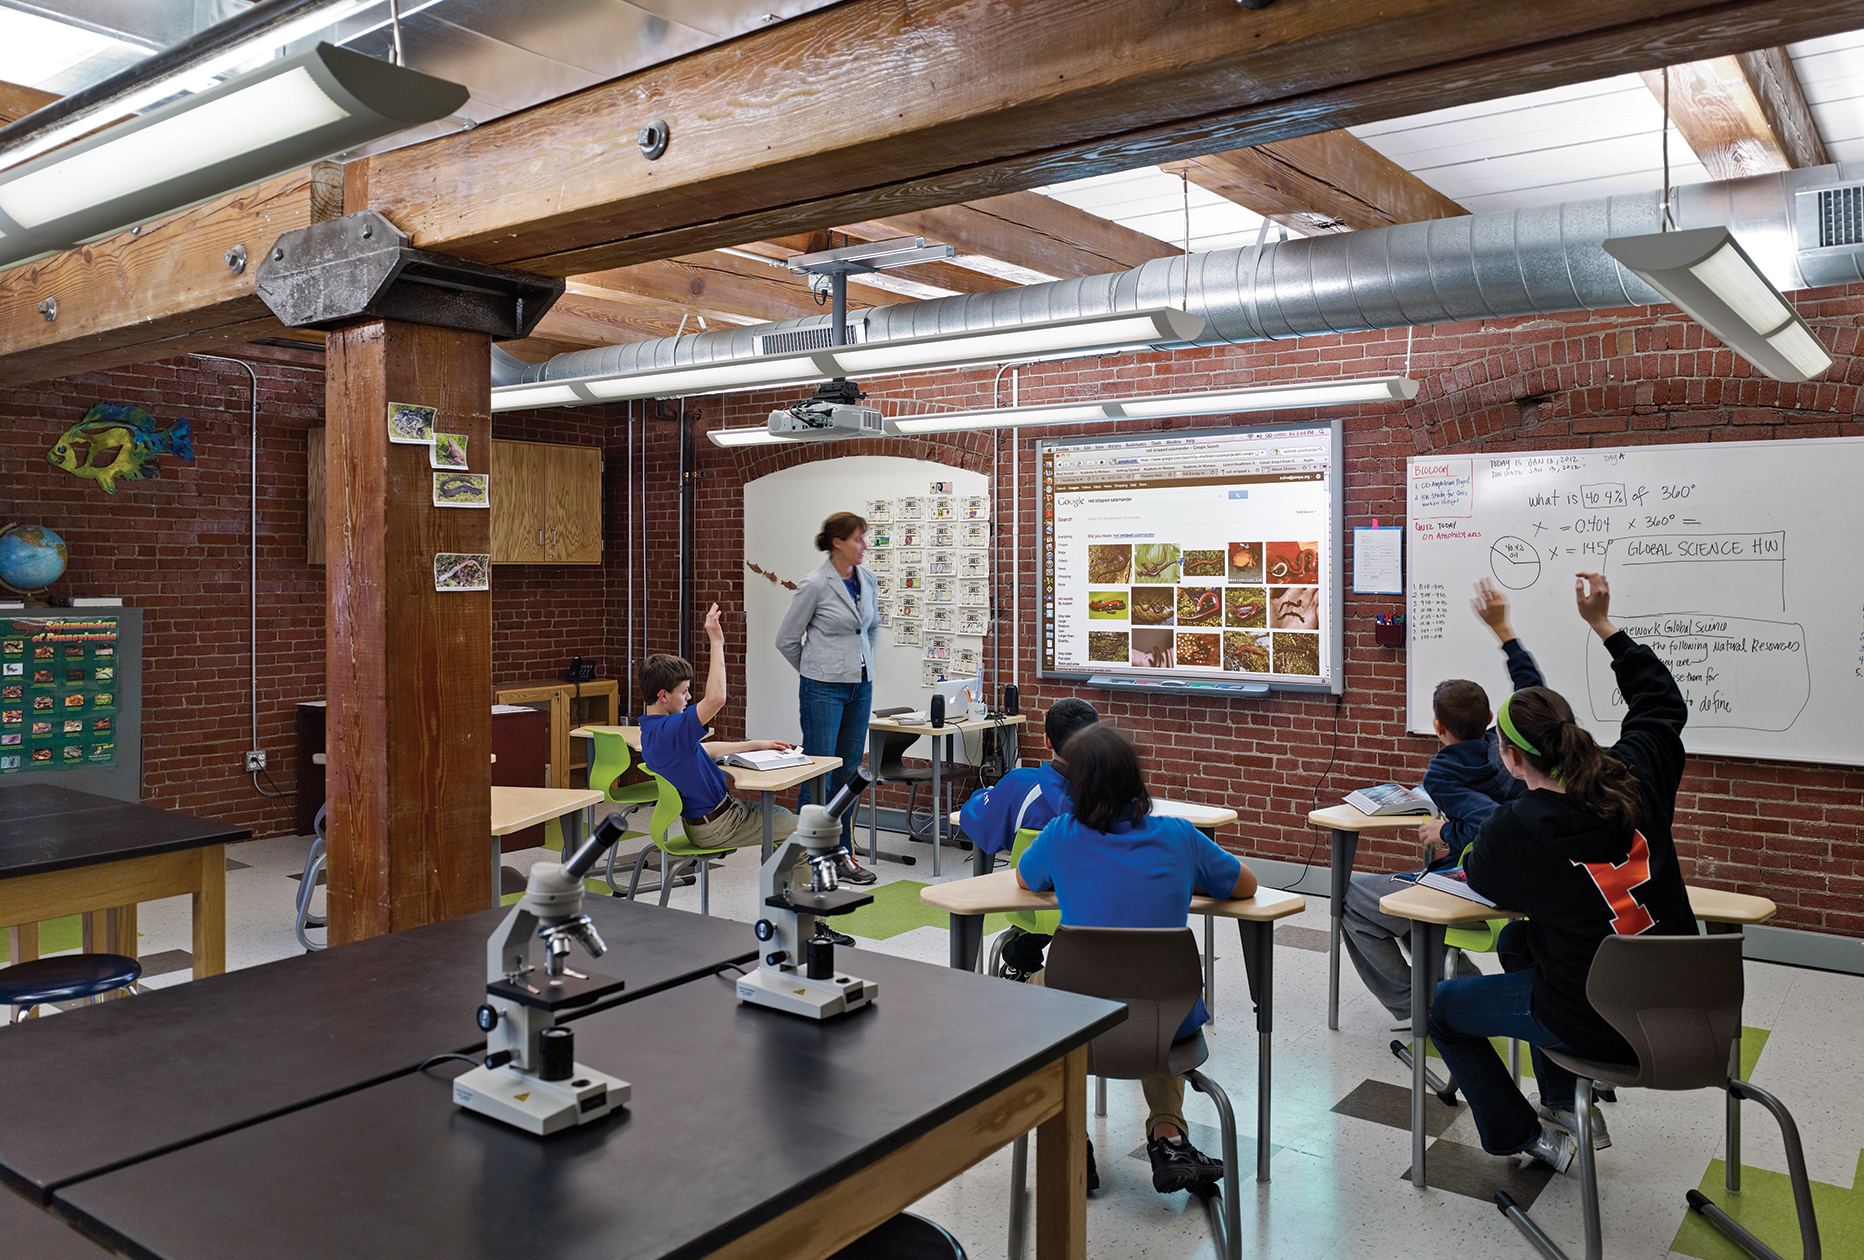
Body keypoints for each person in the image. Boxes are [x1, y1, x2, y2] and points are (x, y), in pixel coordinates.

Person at [1427, 571, 1694, 1174]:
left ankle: (1521, 1135)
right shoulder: (1635, 774)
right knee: (1523, 940)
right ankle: (1566, 1104)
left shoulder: (1517, 830)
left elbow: (1482, 876)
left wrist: (1452, 838)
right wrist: (1603, 624)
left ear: (1513, 757)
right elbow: (1660, 704)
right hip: (1691, 1006)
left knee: (1443, 1008)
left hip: (1602, 1019)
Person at [1017, 725, 1258, 1196]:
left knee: (1032, 992)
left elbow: (1028, 880)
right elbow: (1245, 885)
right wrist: (1191, 878)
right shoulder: (1179, 837)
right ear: (1137, 781)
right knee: (1154, 996)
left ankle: (1070, 1141)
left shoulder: (1061, 833)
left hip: (1078, 1026)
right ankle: (1168, 1137)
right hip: (1162, 1027)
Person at [1340, 579, 1545, 1023]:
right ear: (1491, 719)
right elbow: (1533, 689)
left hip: (1478, 879)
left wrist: (1445, 830)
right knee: (1408, 910)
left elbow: (1493, 820)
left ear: (1437, 727)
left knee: (1351, 897)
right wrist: (1505, 634)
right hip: (1523, 881)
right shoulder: (1507, 744)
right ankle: (1459, 994)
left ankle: (1418, 1006)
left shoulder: (1445, 772)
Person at [639, 602, 800, 858]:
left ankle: (778, 888)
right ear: (663, 696)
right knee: (802, 830)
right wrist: (716, 641)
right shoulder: (671, 729)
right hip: (719, 826)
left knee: (782, 815)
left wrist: (756, 744)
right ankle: (793, 897)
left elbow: (704, 749)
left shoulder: (653, 731)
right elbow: (715, 700)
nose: (689, 697)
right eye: (684, 692)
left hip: (713, 819)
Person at [957, 697, 1099, 980]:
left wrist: (983, 796)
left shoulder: (1020, 783)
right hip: (1100, 913)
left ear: (1046, 740)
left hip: (1033, 909)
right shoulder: (1116, 796)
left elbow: (974, 818)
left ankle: (1020, 962)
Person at [775, 511, 879, 885]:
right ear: (837, 543)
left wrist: (863, 664)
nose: (864, 546)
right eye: (857, 539)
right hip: (822, 687)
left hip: (860, 685)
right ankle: (807, 859)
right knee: (819, 773)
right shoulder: (815, 584)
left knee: (851, 773)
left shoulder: (867, 579)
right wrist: (816, 668)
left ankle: (842, 855)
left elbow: (871, 629)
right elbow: (786, 639)